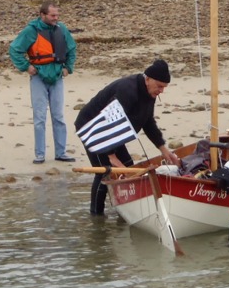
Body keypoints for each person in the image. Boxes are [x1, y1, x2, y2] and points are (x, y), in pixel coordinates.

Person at [74, 59, 181, 215]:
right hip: (93, 127)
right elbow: (108, 121)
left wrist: (164, 150)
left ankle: (123, 210)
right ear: (148, 79)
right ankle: (96, 216)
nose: (161, 91)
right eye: (159, 86)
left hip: (113, 130)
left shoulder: (149, 93)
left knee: (128, 166)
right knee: (106, 171)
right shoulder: (128, 89)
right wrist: (111, 156)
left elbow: (148, 122)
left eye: (164, 87)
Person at [8, 1, 77, 163]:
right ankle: (40, 154)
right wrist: (26, 67)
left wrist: (69, 68)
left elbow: (72, 49)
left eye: (57, 15)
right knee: (39, 117)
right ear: (43, 15)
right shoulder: (31, 31)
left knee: (58, 116)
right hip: (38, 77)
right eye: (53, 15)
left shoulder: (62, 29)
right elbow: (15, 49)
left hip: (57, 76)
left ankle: (61, 153)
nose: (56, 18)